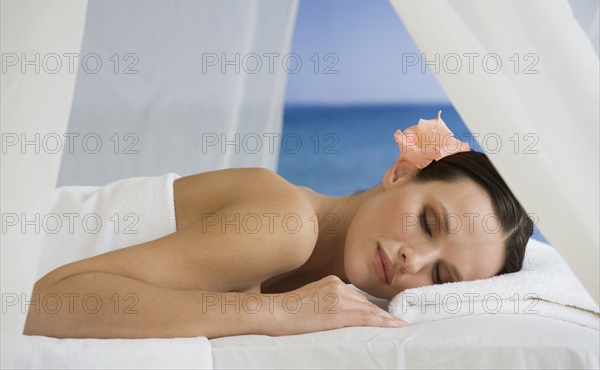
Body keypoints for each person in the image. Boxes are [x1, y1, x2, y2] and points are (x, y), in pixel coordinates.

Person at [23, 111, 533, 339]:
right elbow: (48, 302)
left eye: (440, 278)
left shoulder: (321, 280)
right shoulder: (287, 224)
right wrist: (277, 313)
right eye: (426, 222)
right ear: (400, 173)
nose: (413, 261)